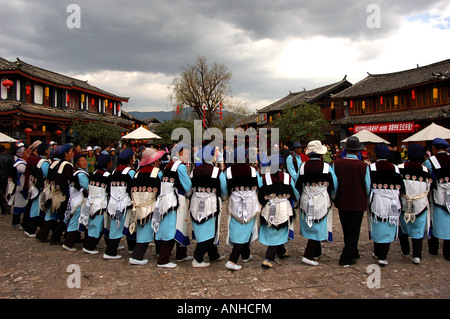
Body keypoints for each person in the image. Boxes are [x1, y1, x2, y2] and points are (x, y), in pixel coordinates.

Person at [296, 141, 337, 266]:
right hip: (321, 198)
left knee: (312, 224)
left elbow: (297, 185)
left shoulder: (302, 167)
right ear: (321, 155)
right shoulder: (326, 168)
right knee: (318, 224)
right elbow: (334, 184)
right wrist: (332, 195)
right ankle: (308, 255)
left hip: (306, 198)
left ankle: (316, 252)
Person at [152, 143, 192, 268]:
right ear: (177, 153)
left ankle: (181, 254)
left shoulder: (168, 165)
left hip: (165, 198)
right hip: (175, 199)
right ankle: (163, 259)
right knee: (174, 226)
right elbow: (187, 184)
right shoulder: (179, 166)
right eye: (185, 153)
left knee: (176, 225)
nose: (187, 156)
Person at [333, 136, 371, 267]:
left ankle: (353, 250)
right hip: (358, 201)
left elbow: (334, 184)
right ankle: (346, 257)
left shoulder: (337, 164)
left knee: (346, 227)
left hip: (342, 200)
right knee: (355, 229)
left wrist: (334, 196)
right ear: (358, 151)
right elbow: (368, 185)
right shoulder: (363, 166)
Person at [189, 145, 227, 268]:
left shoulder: (195, 170)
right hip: (210, 202)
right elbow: (224, 187)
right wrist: (223, 197)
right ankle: (198, 258)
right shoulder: (217, 171)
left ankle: (213, 254)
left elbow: (190, 186)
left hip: (196, 201)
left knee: (207, 228)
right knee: (210, 228)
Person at [258, 154, 298, 269]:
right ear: (281, 165)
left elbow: (260, 194)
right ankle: (268, 258)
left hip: (269, 206)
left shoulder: (264, 178)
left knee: (276, 229)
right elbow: (294, 193)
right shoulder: (287, 177)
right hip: (283, 206)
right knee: (280, 230)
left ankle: (281, 251)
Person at [225, 146, 261, 271]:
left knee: (238, 226)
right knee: (245, 228)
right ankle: (232, 260)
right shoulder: (252, 170)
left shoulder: (228, 171)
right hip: (249, 202)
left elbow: (225, 188)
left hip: (235, 202)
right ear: (246, 157)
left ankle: (245, 255)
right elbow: (259, 184)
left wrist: (227, 196)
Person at [367, 144, 404, 266]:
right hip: (392, 199)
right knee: (389, 224)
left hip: (377, 198)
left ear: (375, 155)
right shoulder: (395, 168)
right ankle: (383, 254)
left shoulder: (371, 168)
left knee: (377, 223)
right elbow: (400, 183)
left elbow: (368, 184)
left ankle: (378, 252)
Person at [128, 148, 164, 265]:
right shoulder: (157, 173)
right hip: (152, 205)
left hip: (138, 205)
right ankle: (137, 256)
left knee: (143, 229)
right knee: (151, 230)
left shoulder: (136, 174)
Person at [398, 144, 432, 264]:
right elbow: (429, 186)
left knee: (402, 225)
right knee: (418, 227)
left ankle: (405, 250)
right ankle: (416, 254)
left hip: (404, 201)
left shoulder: (400, 168)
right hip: (420, 203)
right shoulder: (425, 170)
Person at [103, 148, 136, 259]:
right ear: (130, 160)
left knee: (116, 226)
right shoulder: (129, 172)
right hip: (124, 203)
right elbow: (133, 187)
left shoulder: (114, 171)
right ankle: (110, 252)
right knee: (126, 226)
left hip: (113, 202)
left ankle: (131, 248)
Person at [80, 154, 112, 254]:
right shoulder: (107, 175)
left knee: (97, 225)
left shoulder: (93, 173)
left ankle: (111, 244)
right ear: (107, 164)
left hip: (91, 202)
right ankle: (89, 246)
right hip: (101, 203)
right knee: (98, 226)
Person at [424, 138, 450, 261]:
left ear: (434, 148)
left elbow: (427, 177)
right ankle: (448, 251)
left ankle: (433, 248)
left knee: (434, 220)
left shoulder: (430, 161)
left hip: (437, 194)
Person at [48, 144, 75, 245]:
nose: (72, 154)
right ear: (66, 153)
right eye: (71, 152)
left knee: (62, 216)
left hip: (58, 192)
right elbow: (70, 179)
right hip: (64, 193)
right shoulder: (67, 165)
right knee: (65, 216)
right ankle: (56, 237)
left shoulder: (58, 163)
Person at [22, 143, 51, 238]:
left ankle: (30, 228)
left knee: (34, 208)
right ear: (46, 150)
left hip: (35, 187)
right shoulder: (44, 162)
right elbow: (48, 175)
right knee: (37, 208)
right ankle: (31, 229)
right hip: (41, 188)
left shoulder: (38, 161)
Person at [62, 154, 90, 251]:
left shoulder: (78, 173)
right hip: (80, 201)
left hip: (75, 199)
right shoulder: (81, 174)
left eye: (85, 160)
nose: (84, 162)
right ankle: (68, 243)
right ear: (77, 163)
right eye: (81, 161)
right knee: (75, 221)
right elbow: (87, 187)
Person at [10, 145, 30, 227]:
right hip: (20, 186)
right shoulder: (21, 164)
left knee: (20, 204)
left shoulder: (19, 162)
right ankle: (16, 222)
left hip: (20, 186)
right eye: (25, 152)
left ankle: (18, 221)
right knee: (19, 204)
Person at [0, 144, 14, 215]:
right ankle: (6, 206)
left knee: (2, 193)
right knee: (6, 193)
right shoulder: (10, 158)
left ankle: (4, 207)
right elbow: (12, 168)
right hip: (7, 178)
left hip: (1, 178)